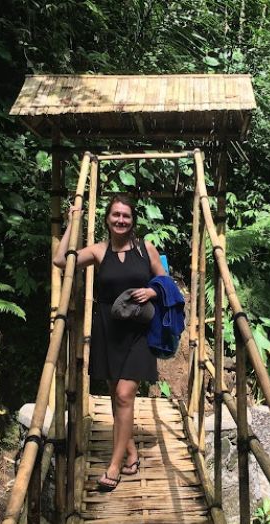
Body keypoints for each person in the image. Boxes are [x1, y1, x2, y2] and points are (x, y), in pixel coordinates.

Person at [52, 194, 166, 492]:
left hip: (139, 331)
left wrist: (153, 293)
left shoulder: (146, 249)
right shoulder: (99, 251)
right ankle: (130, 453)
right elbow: (60, 260)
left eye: (126, 215)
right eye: (115, 214)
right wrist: (70, 225)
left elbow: (165, 282)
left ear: (133, 220)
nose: (120, 220)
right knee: (117, 395)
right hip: (109, 331)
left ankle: (113, 467)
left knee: (126, 395)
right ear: (107, 219)